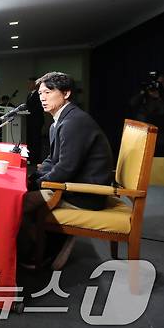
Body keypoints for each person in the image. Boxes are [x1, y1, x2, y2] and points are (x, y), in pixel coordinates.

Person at [19, 72, 114, 270]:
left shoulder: (73, 122)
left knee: (21, 202)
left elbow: (65, 168)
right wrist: (34, 177)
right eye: (40, 93)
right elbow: (52, 160)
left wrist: (36, 183)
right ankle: (48, 239)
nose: (42, 97)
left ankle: (46, 248)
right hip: (74, 183)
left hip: (86, 193)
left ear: (66, 93)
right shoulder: (60, 121)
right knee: (23, 192)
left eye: (48, 92)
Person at [26, 77, 45, 165]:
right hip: (30, 121)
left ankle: (36, 160)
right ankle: (31, 157)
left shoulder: (38, 94)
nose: (28, 85)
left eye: (30, 83)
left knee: (36, 140)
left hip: (36, 121)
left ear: (35, 84)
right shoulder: (30, 94)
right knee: (30, 140)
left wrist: (28, 110)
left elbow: (38, 108)